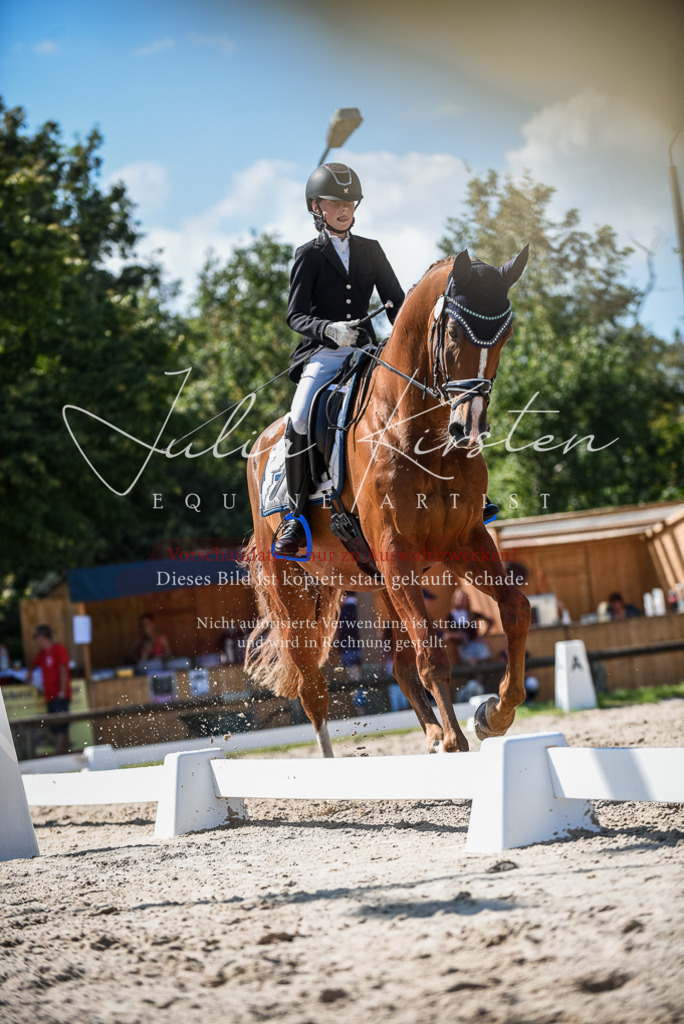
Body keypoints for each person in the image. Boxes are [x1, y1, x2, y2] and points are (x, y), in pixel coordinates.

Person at [273, 162, 405, 556]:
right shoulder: (308, 255)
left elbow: (396, 302)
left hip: (367, 349)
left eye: (350, 202)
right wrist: (328, 329)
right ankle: (294, 517)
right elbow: (295, 315)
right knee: (298, 417)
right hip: (325, 353)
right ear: (316, 207)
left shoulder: (371, 250)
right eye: (335, 203)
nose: (344, 209)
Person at [27, 624, 71, 756]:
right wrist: (29, 672)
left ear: (42, 637)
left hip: (60, 695)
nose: (35, 640)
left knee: (60, 727)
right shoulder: (42, 653)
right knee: (58, 727)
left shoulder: (59, 650)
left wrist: (62, 691)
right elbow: (33, 664)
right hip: (50, 696)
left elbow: (63, 671)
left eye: (36, 636)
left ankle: (58, 755)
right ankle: (66, 754)